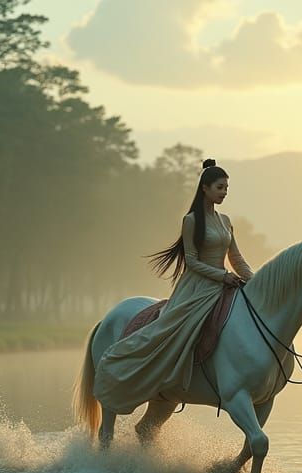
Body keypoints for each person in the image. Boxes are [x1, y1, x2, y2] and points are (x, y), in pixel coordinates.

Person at [92, 158, 256, 414]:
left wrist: (254, 281)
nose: (224, 192)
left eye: (226, 188)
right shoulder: (191, 220)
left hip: (223, 284)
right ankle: (152, 369)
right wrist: (222, 276)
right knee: (176, 329)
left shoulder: (225, 221)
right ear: (205, 188)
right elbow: (191, 262)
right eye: (220, 187)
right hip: (197, 287)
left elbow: (236, 257)